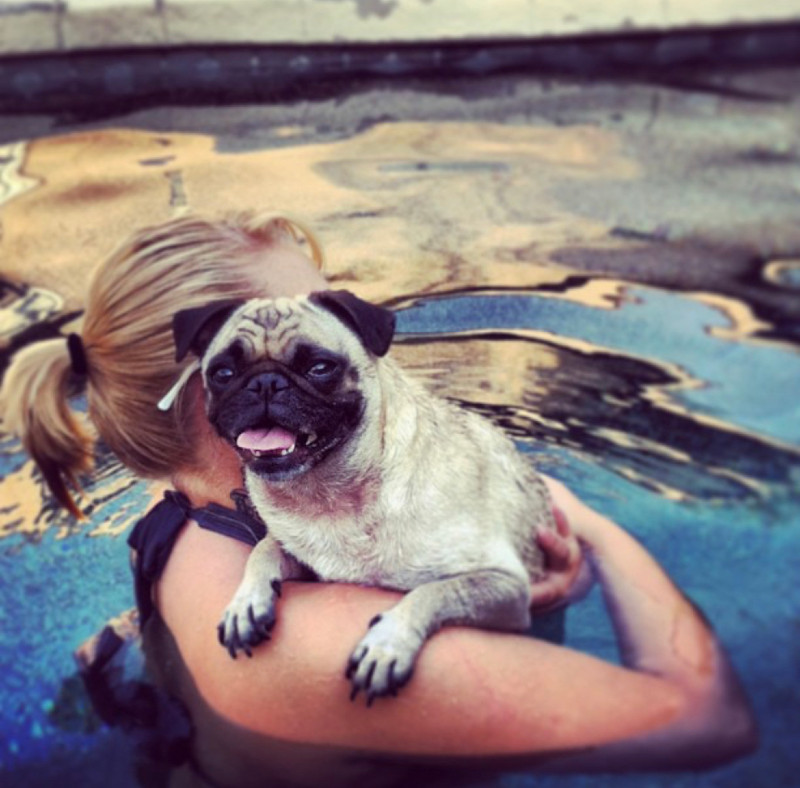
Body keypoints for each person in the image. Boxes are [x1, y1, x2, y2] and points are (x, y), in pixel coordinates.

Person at [0, 213, 757, 787]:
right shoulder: (321, 646)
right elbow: (706, 718)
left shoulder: (181, 520)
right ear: (218, 387)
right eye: (321, 349)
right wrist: (587, 524)